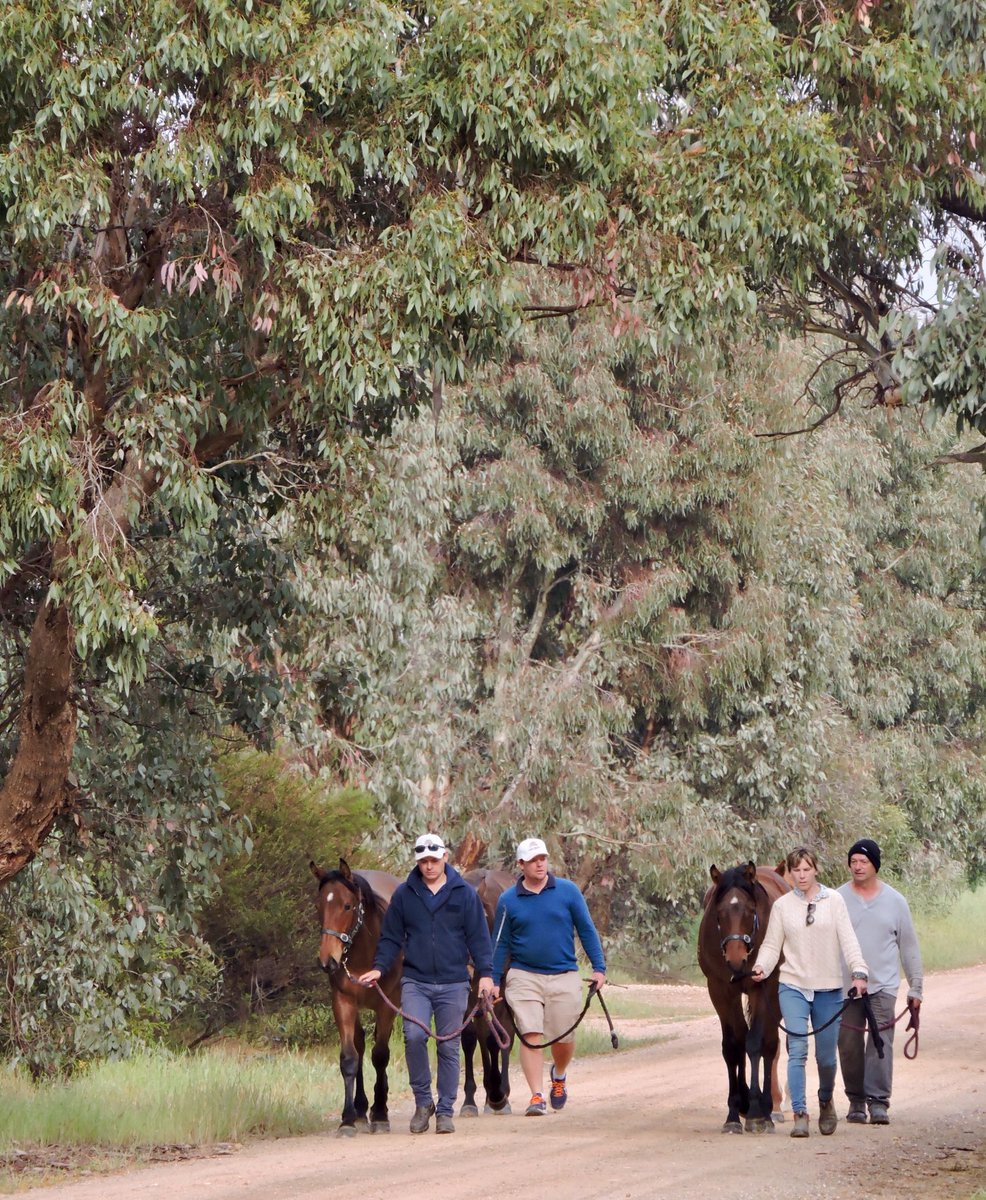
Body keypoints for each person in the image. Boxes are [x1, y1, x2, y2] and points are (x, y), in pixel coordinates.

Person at [359, 833, 493, 1135]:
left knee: (448, 1045)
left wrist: (485, 974)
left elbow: (479, 938)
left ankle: (445, 1110)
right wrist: (379, 969)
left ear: (445, 857)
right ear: (418, 862)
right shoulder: (404, 895)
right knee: (414, 1036)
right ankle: (423, 1103)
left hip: (454, 982)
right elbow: (390, 938)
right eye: (423, 861)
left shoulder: (464, 894)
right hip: (415, 981)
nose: (429, 866)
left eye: (434, 860)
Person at [751, 846, 868, 1139]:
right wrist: (761, 967)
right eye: (796, 871)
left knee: (826, 1058)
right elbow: (771, 945)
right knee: (797, 1050)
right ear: (790, 874)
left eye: (807, 869)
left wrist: (859, 971)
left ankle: (826, 1100)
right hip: (793, 986)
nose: (802, 875)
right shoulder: (782, 906)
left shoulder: (835, 901)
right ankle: (800, 1113)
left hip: (829, 989)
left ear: (816, 869)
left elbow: (848, 940)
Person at [490, 837, 606, 1117]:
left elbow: (586, 929)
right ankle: (536, 1096)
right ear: (521, 864)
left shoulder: (568, 891)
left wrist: (599, 968)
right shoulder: (508, 900)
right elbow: (499, 943)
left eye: (542, 858)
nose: (540, 864)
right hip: (523, 975)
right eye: (533, 860)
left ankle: (559, 1073)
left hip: (564, 974)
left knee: (563, 1037)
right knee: (530, 1034)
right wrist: (492, 980)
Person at [837, 838, 924, 1126]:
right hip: (847, 986)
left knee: (879, 1041)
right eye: (853, 862)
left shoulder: (896, 902)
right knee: (848, 1043)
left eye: (863, 861)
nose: (857, 866)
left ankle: (878, 1102)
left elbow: (909, 947)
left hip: (883, 984)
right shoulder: (837, 899)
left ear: (875, 865)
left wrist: (916, 987)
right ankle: (856, 1100)